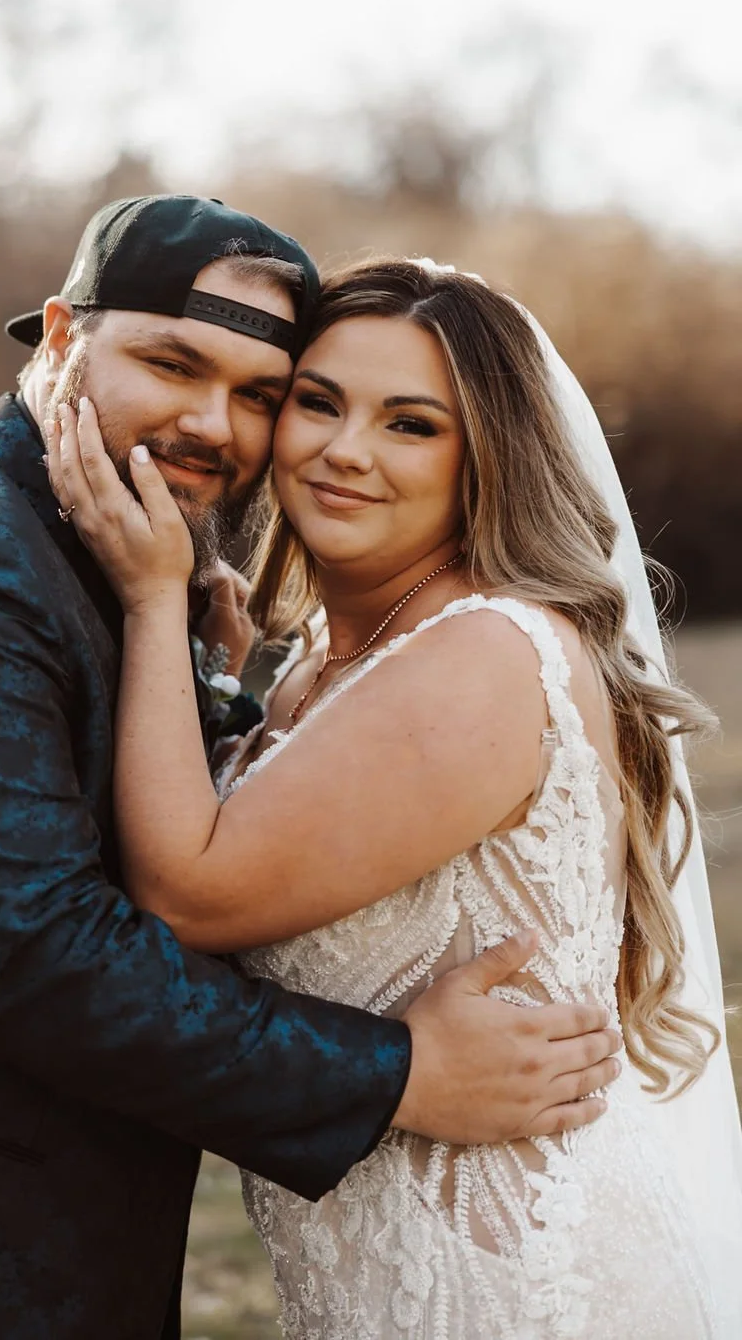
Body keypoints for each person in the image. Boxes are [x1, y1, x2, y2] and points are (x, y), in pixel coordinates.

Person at [0, 201, 621, 1340]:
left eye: (258, 393)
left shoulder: (90, 542)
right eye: (172, 361)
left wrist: (206, 690)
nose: (215, 424)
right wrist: (396, 1073)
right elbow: (37, 951)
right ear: (58, 337)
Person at [50, 252, 742, 1337]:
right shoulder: (333, 658)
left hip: (516, 1291)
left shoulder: (479, 653)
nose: (343, 449)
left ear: (487, 459)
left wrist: (147, 595)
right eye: (315, 401)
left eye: (410, 424)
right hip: (389, 1281)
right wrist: (217, 682)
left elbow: (187, 892)